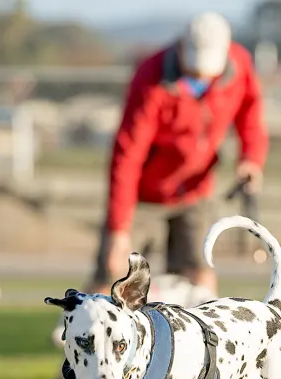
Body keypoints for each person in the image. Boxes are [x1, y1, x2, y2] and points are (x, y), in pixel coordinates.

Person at [86, 11, 269, 296]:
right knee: (115, 275)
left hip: (196, 191)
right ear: (182, 47)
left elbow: (251, 116)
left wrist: (251, 159)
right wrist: (119, 228)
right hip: (146, 195)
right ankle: (83, 334)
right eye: (194, 69)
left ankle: (204, 340)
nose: (201, 77)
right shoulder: (150, 78)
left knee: (200, 278)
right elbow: (127, 155)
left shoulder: (240, 65)